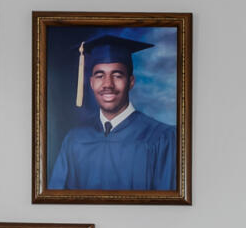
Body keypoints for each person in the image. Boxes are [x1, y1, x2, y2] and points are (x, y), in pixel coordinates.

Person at [45, 33, 177, 193]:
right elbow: (57, 202)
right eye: (100, 76)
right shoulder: (75, 140)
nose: (108, 84)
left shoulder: (162, 138)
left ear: (131, 82)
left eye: (117, 75)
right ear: (92, 83)